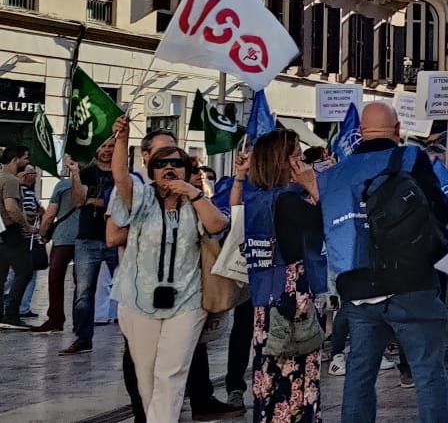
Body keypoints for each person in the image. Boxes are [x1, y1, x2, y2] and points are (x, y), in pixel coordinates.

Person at [318, 102, 448, 423]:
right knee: (428, 373)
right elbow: (442, 209)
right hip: (411, 283)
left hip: (359, 289)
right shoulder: (409, 158)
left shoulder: (334, 174)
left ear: (360, 133)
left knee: (360, 375)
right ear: (397, 130)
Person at [108, 116, 229, 423]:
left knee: (171, 373)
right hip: (139, 300)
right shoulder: (142, 196)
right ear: (152, 169)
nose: (169, 168)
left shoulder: (196, 202)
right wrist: (122, 140)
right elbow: (121, 176)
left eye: (177, 163)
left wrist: (194, 193)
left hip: (186, 300)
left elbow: (217, 225)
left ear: (188, 170)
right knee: (146, 374)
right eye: (162, 164)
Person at [235, 129, 327, 423]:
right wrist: (313, 186)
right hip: (292, 300)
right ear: (283, 162)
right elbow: (329, 222)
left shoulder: (259, 200)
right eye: (297, 156)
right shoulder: (287, 201)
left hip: (265, 297)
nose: (302, 162)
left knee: (270, 378)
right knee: (296, 381)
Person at [61, 140, 118, 353]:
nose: (106, 151)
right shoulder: (87, 173)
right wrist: (75, 173)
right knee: (83, 293)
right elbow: (77, 201)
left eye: (111, 146)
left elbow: (123, 201)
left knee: (127, 289)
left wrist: (94, 201)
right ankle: (82, 338)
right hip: (87, 239)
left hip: (116, 238)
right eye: (102, 146)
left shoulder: (123, 174)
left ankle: (133, 338)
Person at [32, 158, 79, 334]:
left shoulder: (62, 185)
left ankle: (56, 319)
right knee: (82, 284)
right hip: (85, 238)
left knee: (55, 279)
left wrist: (43, 233)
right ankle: (80, 321)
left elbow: (50, 214)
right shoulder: (93, 184)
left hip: (63, 238)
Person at [0, 147, 32, 330]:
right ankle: (11, 314)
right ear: (14, 160)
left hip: (0, 233)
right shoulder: (10, 180)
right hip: (10, 233)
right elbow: (11, 207)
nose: (27, 162)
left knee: (1, 275)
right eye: (25, 158)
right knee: (25, 271)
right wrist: (26, 226)